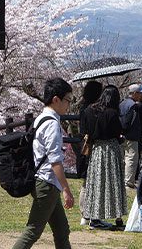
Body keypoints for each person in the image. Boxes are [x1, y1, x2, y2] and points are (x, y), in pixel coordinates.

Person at [13, 77, 74, 249]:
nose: (69, 104)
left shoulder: (40, 119)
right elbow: (55, 160)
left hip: (44, 181)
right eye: (68, 100)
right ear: (56, 99)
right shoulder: (52, 124)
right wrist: (67, 190)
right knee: (33, 231)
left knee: (62, 230)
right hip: (46, 183)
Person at [83, 85, 127, 230]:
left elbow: (86, 129)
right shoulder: (113, 113)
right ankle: (118, 218)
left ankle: (94, 217)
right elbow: (117, 132)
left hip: (96, 150)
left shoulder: (90, 110)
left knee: (96, 182)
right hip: (111, 149)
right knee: (114, 182)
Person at [77, 80, 103, 226]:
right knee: (91, 182)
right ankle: (90, 214)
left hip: (84, 146)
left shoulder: (83, 107)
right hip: (92, 146)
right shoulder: (92, 110)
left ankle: (84, 214)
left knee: (86, 183)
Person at [119, 83, 142, 189]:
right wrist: (125, 131)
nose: (140, 96)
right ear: (134, 93)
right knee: (131, 159)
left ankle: (120, 180)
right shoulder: (133, 106)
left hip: (121, 136)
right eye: (139, 93)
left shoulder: (122, 104)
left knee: (122, 159)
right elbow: (129, 121)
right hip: (130, 136)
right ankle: (128, 182)